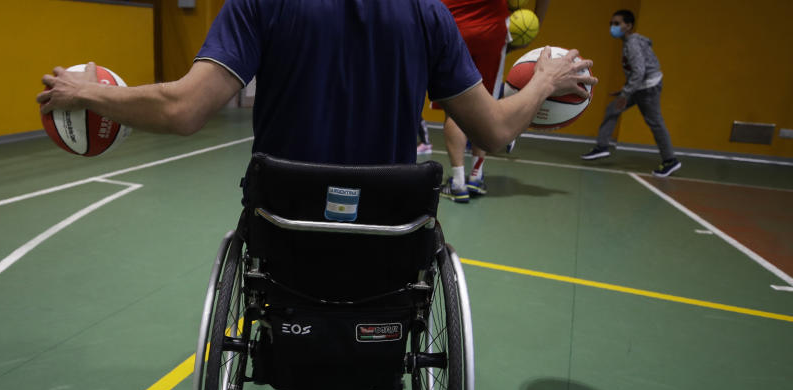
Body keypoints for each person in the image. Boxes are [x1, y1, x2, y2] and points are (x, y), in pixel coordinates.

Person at [38, 0, 594, 173]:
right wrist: (544, 79)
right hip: (389, 228)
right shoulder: (428, 15)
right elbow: (494, 134)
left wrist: (85, 94)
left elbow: (183, 109)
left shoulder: (261, 2)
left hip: (284, 221)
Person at [439, 0, 552, 203]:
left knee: (453, 105)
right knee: (486, 102)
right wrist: (536, 25)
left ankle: (457, 183)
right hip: (491, 28)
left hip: (451, 23)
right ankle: (476, 175)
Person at [580, 9, 680, 177]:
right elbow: (635, 71)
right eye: (611, 24)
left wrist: (625, 94)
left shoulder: (632, 43)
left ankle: (670, 160)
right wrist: (624, 90)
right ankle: (602, 147)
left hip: (648, 88)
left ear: (628, 26)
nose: (613, 27)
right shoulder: (628, 42)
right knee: (612, 109)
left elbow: (639, 71)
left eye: (617, 24)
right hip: (639, 86)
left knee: (655, 123)